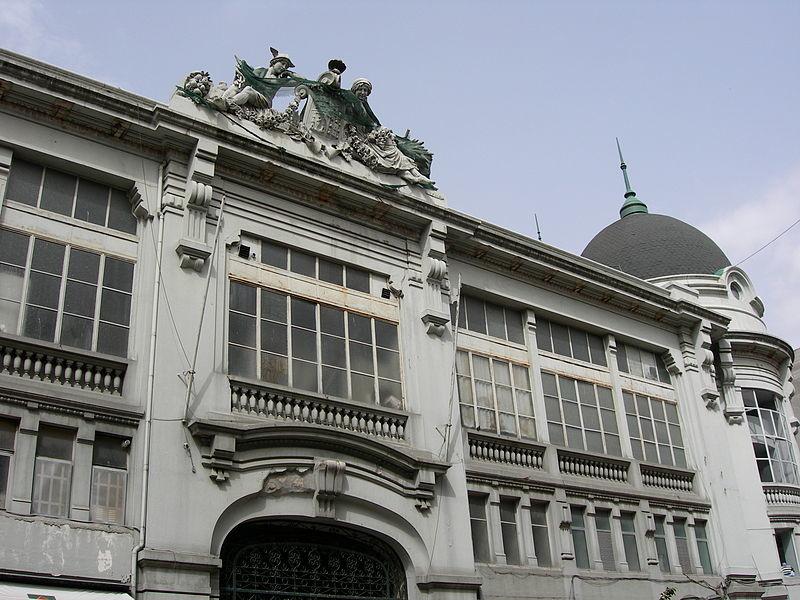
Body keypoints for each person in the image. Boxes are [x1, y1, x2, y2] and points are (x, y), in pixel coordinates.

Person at [223, 47, 296, 109]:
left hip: (265, 101)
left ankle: (228, 104)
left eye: (286, 67)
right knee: (237, 86)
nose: (284, 67)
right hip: (254, 95)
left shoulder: (280, 80)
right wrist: (239, 77)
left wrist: (289, 73)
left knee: (248, 90)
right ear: (274, 62)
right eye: (283, 64)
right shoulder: (261, 70)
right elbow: (249, 79)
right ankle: (222, 100)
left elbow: (301, 80)